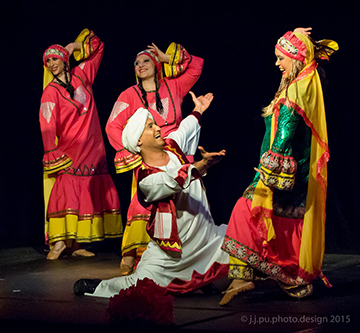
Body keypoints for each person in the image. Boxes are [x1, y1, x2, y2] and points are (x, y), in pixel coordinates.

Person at [219, 28, 339, 305]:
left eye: (280, 58)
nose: (277, 64)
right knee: (282, 221)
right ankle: (270, 277)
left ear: (295, 58)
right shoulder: (306, 81)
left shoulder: (296, 88)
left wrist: (273, 162)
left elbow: (286, 127)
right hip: (296, 171)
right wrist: (297, 35)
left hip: (283, 170)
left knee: (245, 211)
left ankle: (261, 277)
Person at [74, 91, 229, 297]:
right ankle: (98, 287)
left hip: (206, 239)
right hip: (173, 253)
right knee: (139, 286)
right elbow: (174, 181)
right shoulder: (146, 178)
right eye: (150, 126)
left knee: (242, 239)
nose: (158, 128)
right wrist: (200, 165)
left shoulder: (172, 146)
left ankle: (205, 281)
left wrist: (198, 109)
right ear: (139, 141)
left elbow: (185, 128)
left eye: (154, 124)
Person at [106, 41, 204, 274]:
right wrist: (133, 151)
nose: (141, 65)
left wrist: (166, 57)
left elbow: (197, 65)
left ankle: (182, 253)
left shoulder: (174, 86)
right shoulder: (128, 95)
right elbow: (112, 126)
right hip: (149, 156)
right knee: (143, 204)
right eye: (137, 63)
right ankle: (132, 251)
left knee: (183, 202)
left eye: (146, 60)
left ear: (156, 64)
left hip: (176, 154)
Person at [40, 29, 122, 260]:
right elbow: (47, 123)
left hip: (93, 146)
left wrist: (74, 46)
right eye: (48, 61)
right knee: (66, 192)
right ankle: (58, 243)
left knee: (86, 192)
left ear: (64, 59)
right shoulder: (50, 92)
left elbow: (98, 46)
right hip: (70, 148)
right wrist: (50, 150)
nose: (51, 63)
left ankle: (75, 245)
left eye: (55, 58)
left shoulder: (82, 75)